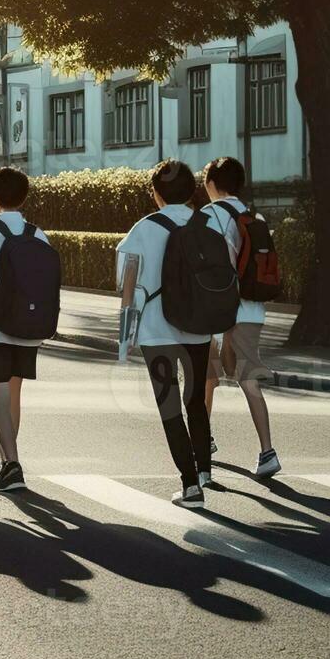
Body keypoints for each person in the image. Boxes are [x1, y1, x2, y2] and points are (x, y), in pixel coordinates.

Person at [116, 160, 214, 508]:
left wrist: (125, 337)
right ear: (191, 192)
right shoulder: (208, 223)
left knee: (169, 405)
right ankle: (204, 470)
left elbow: (127, 287)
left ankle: (190, 486)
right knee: (196, 401)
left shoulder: (143, 229)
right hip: (199, 328)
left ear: (156, 193)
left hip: (156, 332)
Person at [0, 166, 54, 493]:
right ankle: (5, 460)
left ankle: (12, 463)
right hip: (29, 327)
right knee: (14, 395)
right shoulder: (37, 234)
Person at [201, 157, 280, 479]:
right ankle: (267, 451)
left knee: (206, 377)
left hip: (216, 310)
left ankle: (202, 442)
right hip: (251, 309)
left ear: (211, 184)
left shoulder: (209, 216)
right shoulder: (253, 216)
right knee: (249, 378)